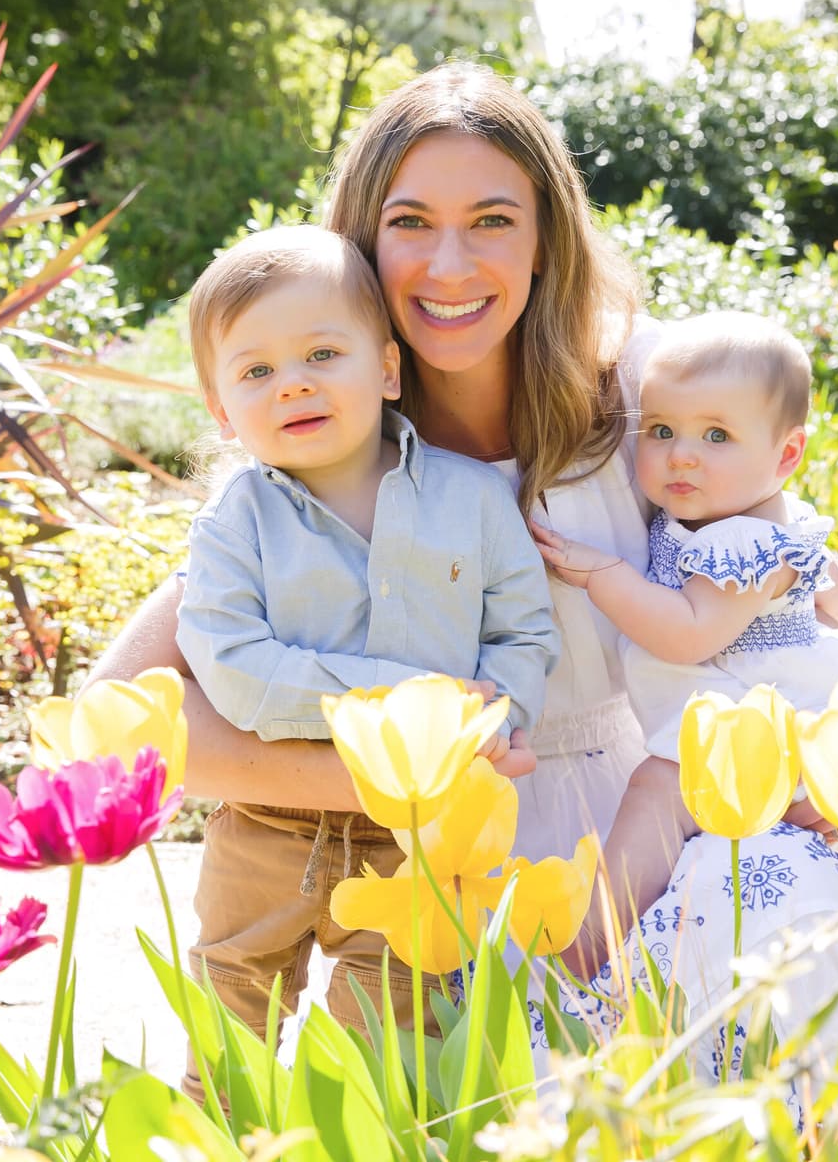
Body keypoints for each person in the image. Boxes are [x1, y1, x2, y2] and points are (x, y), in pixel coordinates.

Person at [90, 62, 838, 1081]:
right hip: (442, 852)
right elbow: (125, 720)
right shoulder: (327, 441)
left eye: (493, 219)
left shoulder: (645, 391)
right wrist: (406, 778)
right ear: (362, 245)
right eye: (411, 221)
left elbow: (796, 551)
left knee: (769, 926)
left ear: (547, 240)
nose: (450, 264)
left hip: (648, 813)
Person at [171, 224, 558, 1096]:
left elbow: (524, 633)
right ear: (221, 408)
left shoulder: (473, 501)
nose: (293, 382)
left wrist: (498, 713)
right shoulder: (234, 523)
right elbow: (236, 670)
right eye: (257, 371)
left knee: (385, 1037)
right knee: (231, 1016)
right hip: (267, 821)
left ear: (386, 370)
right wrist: (415, 706)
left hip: (418, 840)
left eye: (320, 353)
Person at [531, 312, 838, 1089]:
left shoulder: (743, 542)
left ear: (786, 454)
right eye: (659, 430)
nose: (682, 454)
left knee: (659, 787)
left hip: (748, 723)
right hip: (730, 718)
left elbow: (687, 634)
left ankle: (589, 950)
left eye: (717, 436)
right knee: (665, 790)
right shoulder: (719, 514)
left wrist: (598, 572)